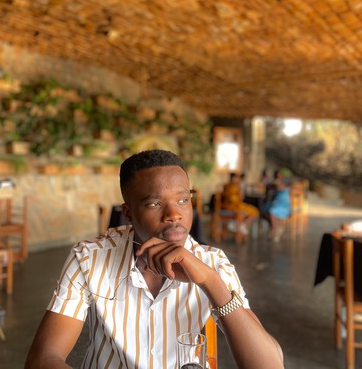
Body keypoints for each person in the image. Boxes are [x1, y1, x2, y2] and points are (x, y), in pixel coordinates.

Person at [25, 149, 283, 369]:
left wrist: (210, 281)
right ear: (128, 212)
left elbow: (269, 365)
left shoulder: (212, 263)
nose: (174, 214)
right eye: (155, 204)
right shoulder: (90, 258)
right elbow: (43, 358)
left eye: (183, 200)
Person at [262, 169, 291, 242]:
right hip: (276, 203)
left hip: (283, 205)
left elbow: (281, 188)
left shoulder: (283, 183)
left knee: (272, 211)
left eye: (280, 175)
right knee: (265, 210)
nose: (279, 176)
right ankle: (275, 227)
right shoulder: (275, 183)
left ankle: (275, 230)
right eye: (278, 175)